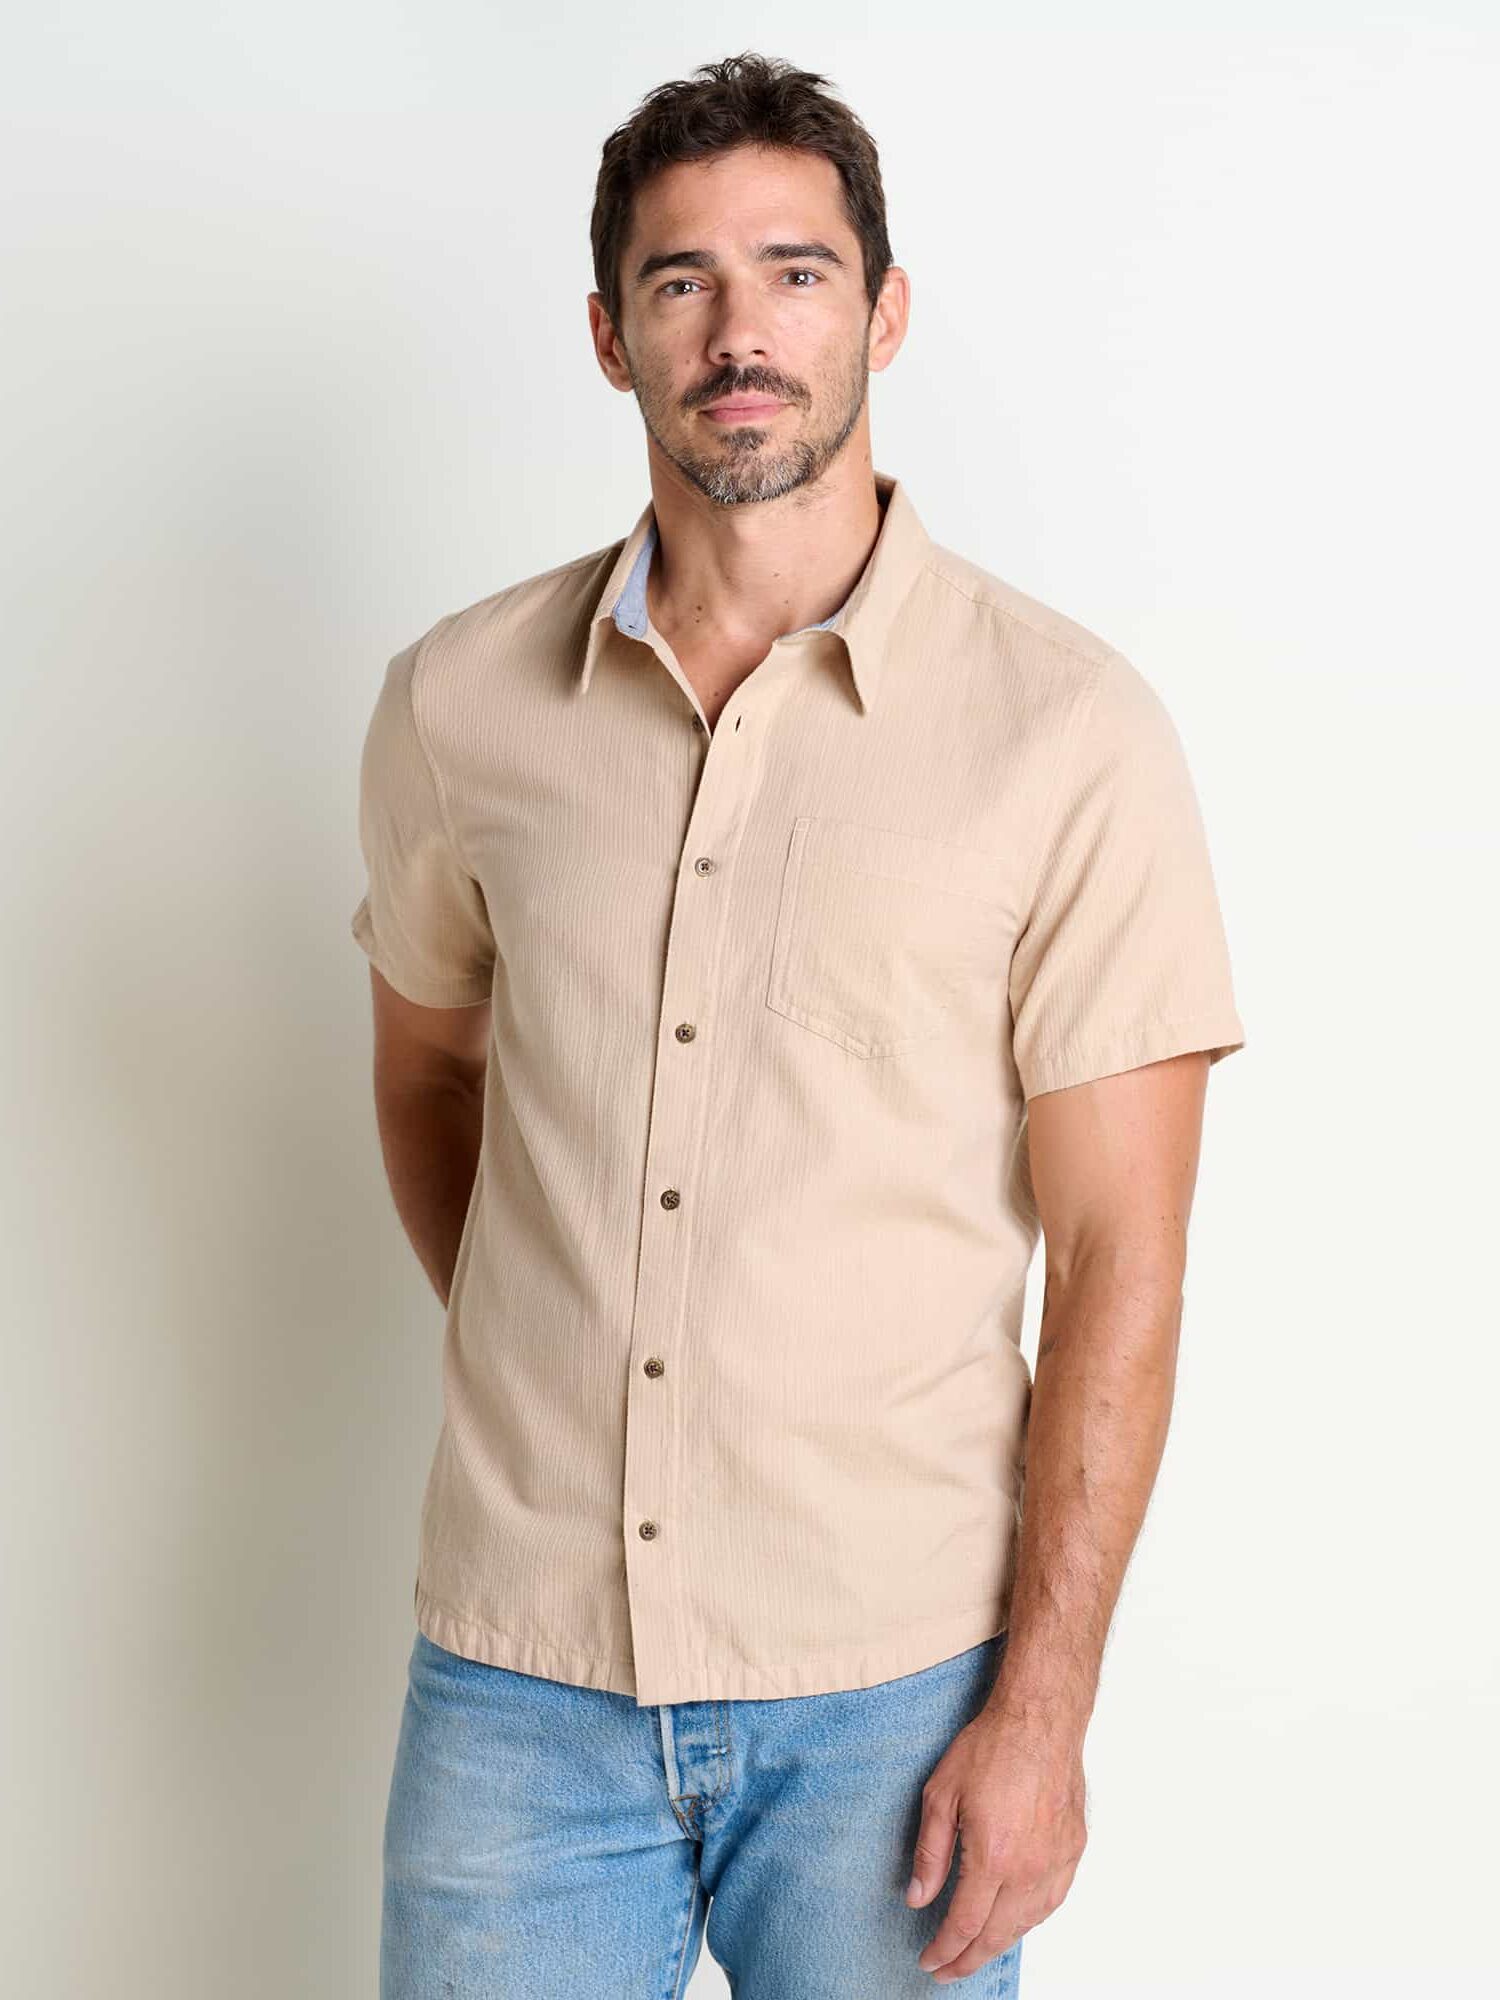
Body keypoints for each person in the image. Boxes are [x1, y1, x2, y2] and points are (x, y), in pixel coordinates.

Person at [351, 50, 1246, 2000]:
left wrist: (1044, 1715)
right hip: (515, 1684)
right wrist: (558, 1329)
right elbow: (429, 1071)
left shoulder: (1066, 736)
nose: (739, 330)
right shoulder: (459, 708)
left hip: (895, 1708)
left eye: (796, 270)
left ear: (886, 312)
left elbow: (1121, 1266)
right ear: (609, 336)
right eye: (680, 282)